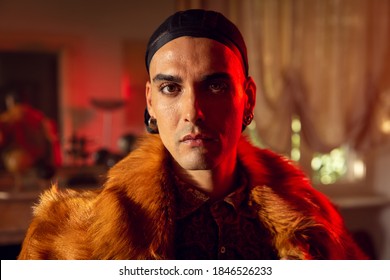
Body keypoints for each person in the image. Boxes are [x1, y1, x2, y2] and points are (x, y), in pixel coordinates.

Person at [18, 9, 367, 260]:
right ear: (150, 102)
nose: (193, 112)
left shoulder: (315, 227)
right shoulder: (68, 240)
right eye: (171, 88)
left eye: (214, 86)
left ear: (248, 98)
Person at [0, 86, 61, 181]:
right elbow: (51, 137)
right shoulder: (38, 116)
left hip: (20, 160)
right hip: (37, 159)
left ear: (10, 102)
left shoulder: (8, 117)